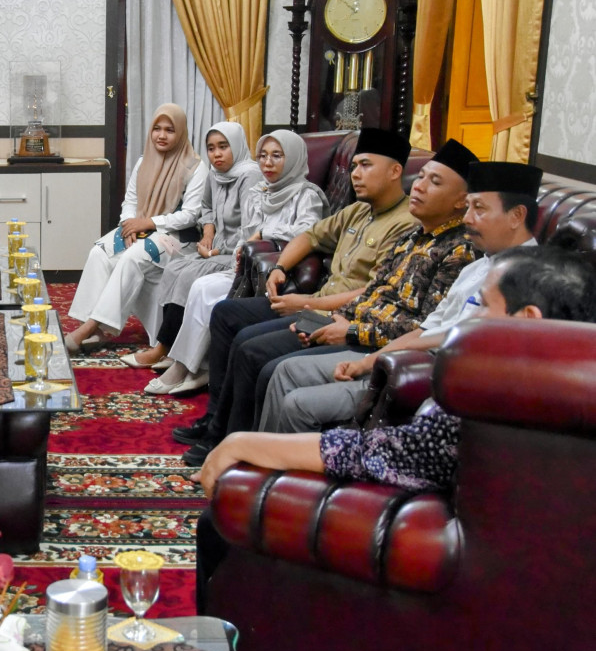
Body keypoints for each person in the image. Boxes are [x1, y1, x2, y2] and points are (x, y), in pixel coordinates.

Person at [190, 245, 596, 612]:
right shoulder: (558, 388)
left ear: (528, 319)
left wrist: (242, 443)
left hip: (434, 560)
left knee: (222, 517)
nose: (470, 319)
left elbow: (372, 454)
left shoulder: (496, 404)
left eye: (483, 305)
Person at [174, 128, 422, 464]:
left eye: (366, 166)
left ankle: (229, 439)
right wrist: (280, 267)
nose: (356, 175)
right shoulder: (358, 210)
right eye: (354, 167)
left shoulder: (404, 224)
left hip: (339, 316)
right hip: (317, 300)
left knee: (249, 346)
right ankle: (216, 419)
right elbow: (310, 236)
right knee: (226, 314)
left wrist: (305, 303)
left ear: (395, 171)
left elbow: (372, 293)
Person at [260, 160, 543, 433]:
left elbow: (457, 340)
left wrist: (372, 358)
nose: (467, 218)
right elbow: (426, 328)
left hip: (426, 376)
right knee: (287, 371)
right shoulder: (477, 267)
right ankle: (258, 469)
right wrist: (367, 361)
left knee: (298, 404)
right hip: (395, 356)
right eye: (468, 207)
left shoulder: (528, 276)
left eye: (478, 209)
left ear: (517, 215)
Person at [139, 130, 328, 394]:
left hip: (278, 271)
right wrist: (242, 248)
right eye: (262, 156)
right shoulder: (261, 191)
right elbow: (245, 232)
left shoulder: (306, 195)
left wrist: (262, 235)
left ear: (294, 158)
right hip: (245, 268)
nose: (267, 163)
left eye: (277, 156)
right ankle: (189, 363)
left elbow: (309, 233)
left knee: (206, 291)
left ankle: (190, 366)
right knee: (200, 287)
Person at [63, 105, 207, 353]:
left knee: (132, 257)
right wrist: (129, 226)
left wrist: (150, 223)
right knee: (100, 252)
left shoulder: (195, 167)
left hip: (178, 239)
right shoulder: (144, 161)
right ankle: (94, 328)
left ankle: (91, 327)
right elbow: (130, 201)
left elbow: (190, 215)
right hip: (140, 226)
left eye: (170, 130)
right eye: (157, 129)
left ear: (181, 133)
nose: (161, 136)